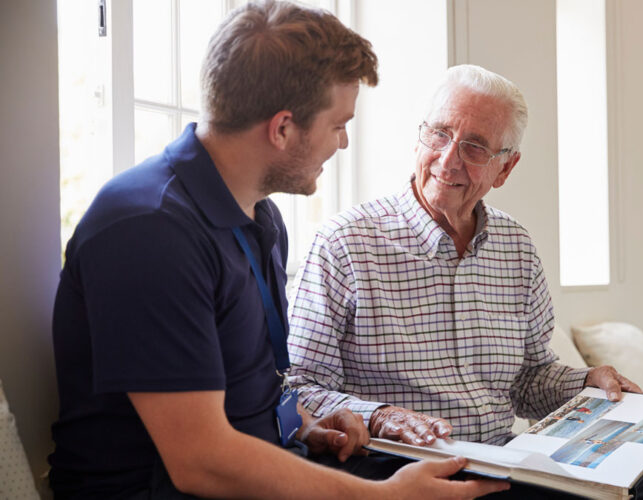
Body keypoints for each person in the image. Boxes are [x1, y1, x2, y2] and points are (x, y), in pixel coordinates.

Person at [48, 3, 507, 499]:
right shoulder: (148, 230)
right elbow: (200, 462)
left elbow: (252, 387)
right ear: (283, 128)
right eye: (338, 125)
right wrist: (389, 498)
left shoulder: (259, 217)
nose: (345, 142)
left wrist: (304, 425)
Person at [288, 64, 643, 499]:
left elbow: (528, 380)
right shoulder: (343, 242)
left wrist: (585, 382)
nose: (448, 159)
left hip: (503, 460)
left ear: (505, 169)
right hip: (396, 465)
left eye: (474, 147)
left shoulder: (516, 247)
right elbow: (298, 387)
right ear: (418, 137)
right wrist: (379, 415)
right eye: (440, 133)